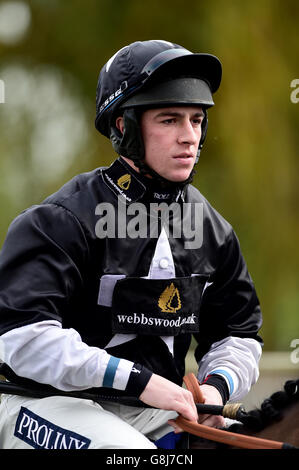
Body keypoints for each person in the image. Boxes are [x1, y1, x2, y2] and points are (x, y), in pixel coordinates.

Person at [0, 40, 263, 449]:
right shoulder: (60, 220)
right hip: (40, 401)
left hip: (150, 410)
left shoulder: (214, 231)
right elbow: (23, 337)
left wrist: (216, 388)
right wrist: (139, 381)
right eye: (170, 120)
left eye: (196, 120)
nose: (189, 137)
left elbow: (239, 333)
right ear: (123, 127)